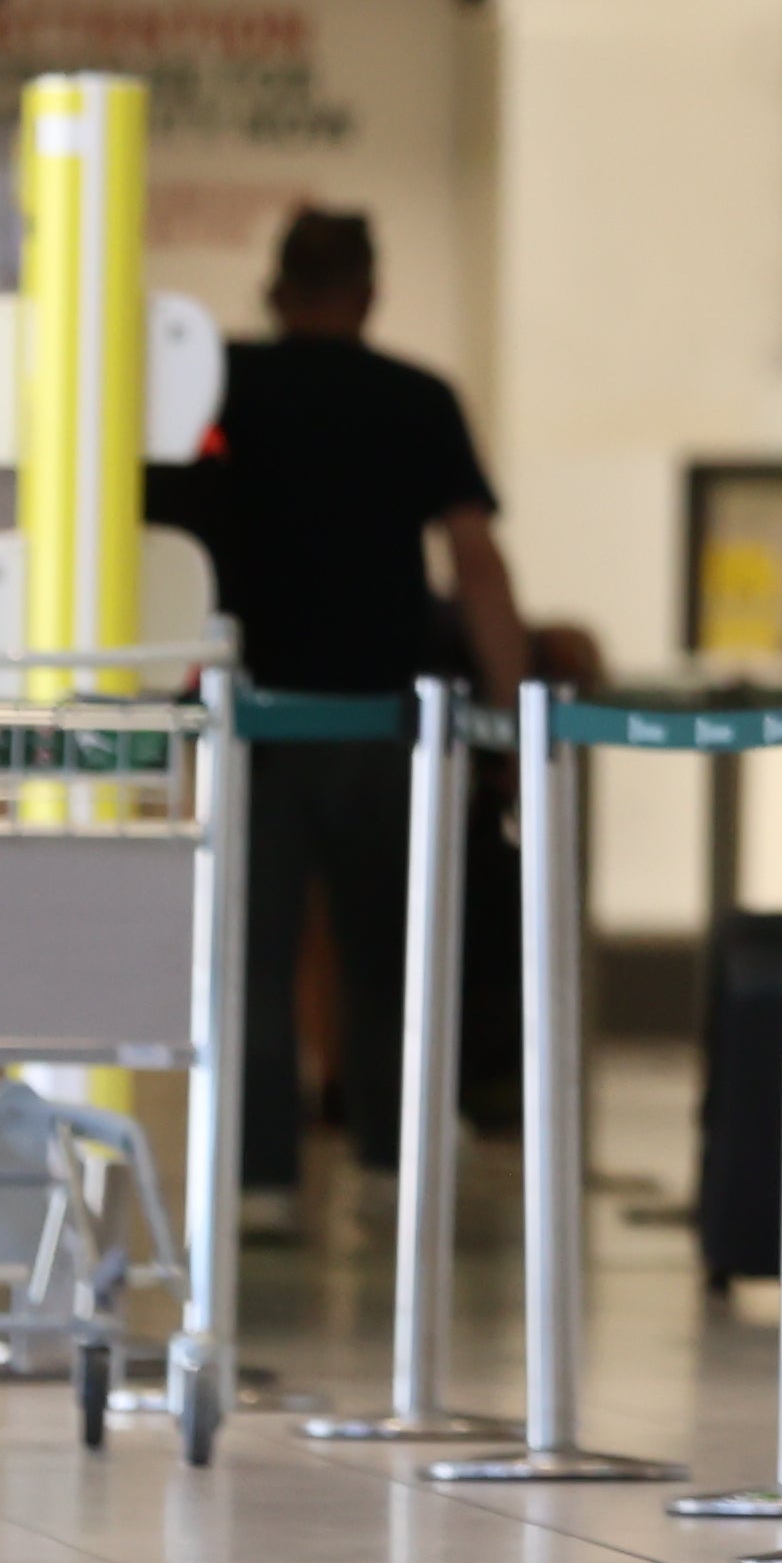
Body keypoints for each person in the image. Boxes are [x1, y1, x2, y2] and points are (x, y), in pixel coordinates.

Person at [170, 208, 529, 1235]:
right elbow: (478, 565)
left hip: (253, 719)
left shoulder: (225, 389)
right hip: (386, 722)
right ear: (369, 293)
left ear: (278, 290)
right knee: (392, 960)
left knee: (250, 966)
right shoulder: (416, 400)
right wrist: (507, 722)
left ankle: (259, 1185)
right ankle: (392, 1167)